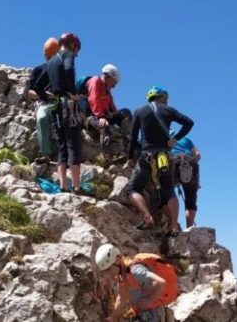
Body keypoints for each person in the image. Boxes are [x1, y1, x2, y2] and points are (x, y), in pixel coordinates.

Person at [127, 86, 193, 236]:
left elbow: (132, 138)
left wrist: (130, 158)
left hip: (147, 157)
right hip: (165, 156)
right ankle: (174, 226)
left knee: (133, 189)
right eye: (166, 97)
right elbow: (189, 123)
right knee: (168, 190)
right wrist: (175, 139)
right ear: (161, 97)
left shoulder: (139, 111)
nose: (168, 100)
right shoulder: (169, 111)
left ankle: (147, 216)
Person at [95, 243, 178, 322]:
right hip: (145, 311)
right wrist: (112, 317)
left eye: (109, 269)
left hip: (155, 309)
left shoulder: (135, 271)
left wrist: (148, 301)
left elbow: (160, 282)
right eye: (105, 271)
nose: (108, 273)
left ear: (118, 260)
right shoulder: (122, 275)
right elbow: (122, 299)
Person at [46, 32, 85, 194]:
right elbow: (69, 70)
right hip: (67, 104)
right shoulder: (68, 55)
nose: (76, 52)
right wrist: (72, 93)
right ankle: (76, 186)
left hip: (54, 105)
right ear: (72, 44)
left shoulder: (51, 60)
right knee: (73, 144)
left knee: (61, 145)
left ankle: (63, 185)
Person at [84, 64, 131, 151]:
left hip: (104, 115)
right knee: (105, 126)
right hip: (90, 116)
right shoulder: (95, 81)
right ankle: (108, 154)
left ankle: (128, 141)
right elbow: (93, 99)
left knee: (126, 112)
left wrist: (115, 114)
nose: (114, 86)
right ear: (107, 77)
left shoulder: (107, 90)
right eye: (114, 82)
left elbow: (112, 106)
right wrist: (101, 116)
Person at [169, 129, 201, 229]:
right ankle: (189, 228)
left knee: (169, 192)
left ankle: (173, 224)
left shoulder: (167, 140)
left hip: (173, 162)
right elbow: (198, 155)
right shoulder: (186, 139)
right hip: (189, 162)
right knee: (190, 198)